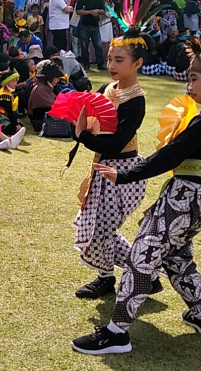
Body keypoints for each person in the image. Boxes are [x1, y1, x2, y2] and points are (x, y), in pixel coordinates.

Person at [72, 39, 201, 354]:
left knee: (140, 257)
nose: (188, 85)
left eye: (194, 78)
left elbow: (169, 156)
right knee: (176, 256)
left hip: (184, 197)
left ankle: (117, 333)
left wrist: (126, 174)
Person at [72, 30, 156, 300]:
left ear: (137, 63)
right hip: (102, 168)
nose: (110, 66)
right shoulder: (107, 89)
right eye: (109, 59)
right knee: (99, 229)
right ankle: (128, 277)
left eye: (119, 60)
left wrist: (83, 136)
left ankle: (134, 275)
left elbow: (116, 144)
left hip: (124, 172)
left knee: (102, 230)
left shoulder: (136, 100)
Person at [27, 60, 64, 131]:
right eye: (56, 78)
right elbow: (52, 106)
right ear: (50, 78)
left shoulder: (45, 87)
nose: (58, 80)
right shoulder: (40, 89)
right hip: (42, 123)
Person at [75, 0, 106, 71]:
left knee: (98, 46)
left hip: (95, 25)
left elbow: (103, 11)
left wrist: (97, 11)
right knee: (84, 46)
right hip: (84, 25)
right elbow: (78, 11)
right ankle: (86, 64)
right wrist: (90, 12)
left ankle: (100, 64)